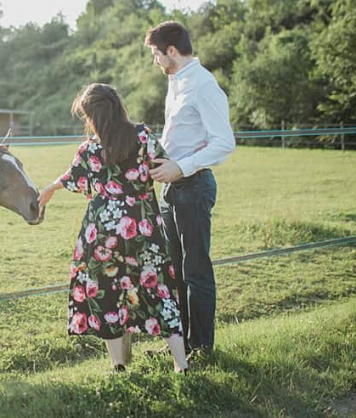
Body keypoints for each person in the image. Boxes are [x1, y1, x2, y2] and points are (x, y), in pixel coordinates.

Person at [38, 83, 188, 373]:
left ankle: (118, 366)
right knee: (160, 292)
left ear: (91, 116)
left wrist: (49, 188)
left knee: (106, 293)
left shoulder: (90, 148)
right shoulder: (143, 136)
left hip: (102, 232)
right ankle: (181, 365)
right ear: (118, 105)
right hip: (144, 229)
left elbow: (71, 178)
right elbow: (165, 168)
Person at [144, 21, 235, 360]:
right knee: (175, 272)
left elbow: (224, 143)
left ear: (171, 51)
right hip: (172, 189)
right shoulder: (176, 82)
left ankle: (203, 349)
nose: (154, 60)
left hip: (194, 188)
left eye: (156, 54)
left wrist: (180, 167)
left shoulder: (203, 85)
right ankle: (181, 346)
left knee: (196, 271)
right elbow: (180, 135)